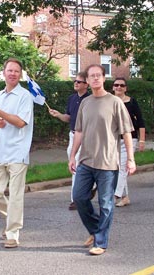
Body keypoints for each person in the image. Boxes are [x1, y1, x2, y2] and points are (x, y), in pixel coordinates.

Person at [69, 64, 136, 256]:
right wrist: (73, 155)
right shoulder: (85, 103)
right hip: (86, 161)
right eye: (92, 76)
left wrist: (130, 159)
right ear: (87, 80)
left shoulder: (115, 102)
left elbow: (126, 133)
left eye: (99, 75)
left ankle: (100, 241)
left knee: (106, 203)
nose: (96, 79)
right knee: (80, 197)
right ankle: (95, 229)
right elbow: (79, 131)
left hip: (107, 163)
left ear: (104, 78)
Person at [0, 58, 34, 249]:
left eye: (16, 71)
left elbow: (21, 122)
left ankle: (12, 233)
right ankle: (13, 216)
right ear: (4, 72)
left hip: (18, 152)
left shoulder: (25, 96)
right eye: (10, 70)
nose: (13, 73)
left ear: (20, 75)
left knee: (15, 194)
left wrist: (0, 113)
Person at [49, 72, 91, 210]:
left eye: (79, 82)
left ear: (86, 84)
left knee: (77, 166)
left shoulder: (91, 100)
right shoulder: (72, 98)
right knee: (74, 166)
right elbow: (68, 117)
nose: (76, 83)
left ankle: (76, 199)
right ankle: (89, 188)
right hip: (73, 136)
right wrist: (58, 115)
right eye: (75, 81)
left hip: (86, 137)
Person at [112, 77, 146, 207]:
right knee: (118, 168)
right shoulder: (110, 102)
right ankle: (125, 197)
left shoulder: (132, 102)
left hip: (130, 139)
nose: (119, 87)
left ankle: (116, 194)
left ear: (125, 88)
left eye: (122, 85)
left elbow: (141, 122)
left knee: (123, 168)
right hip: (114, 139)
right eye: (116, 85)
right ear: (113, 87)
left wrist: (142, 140)